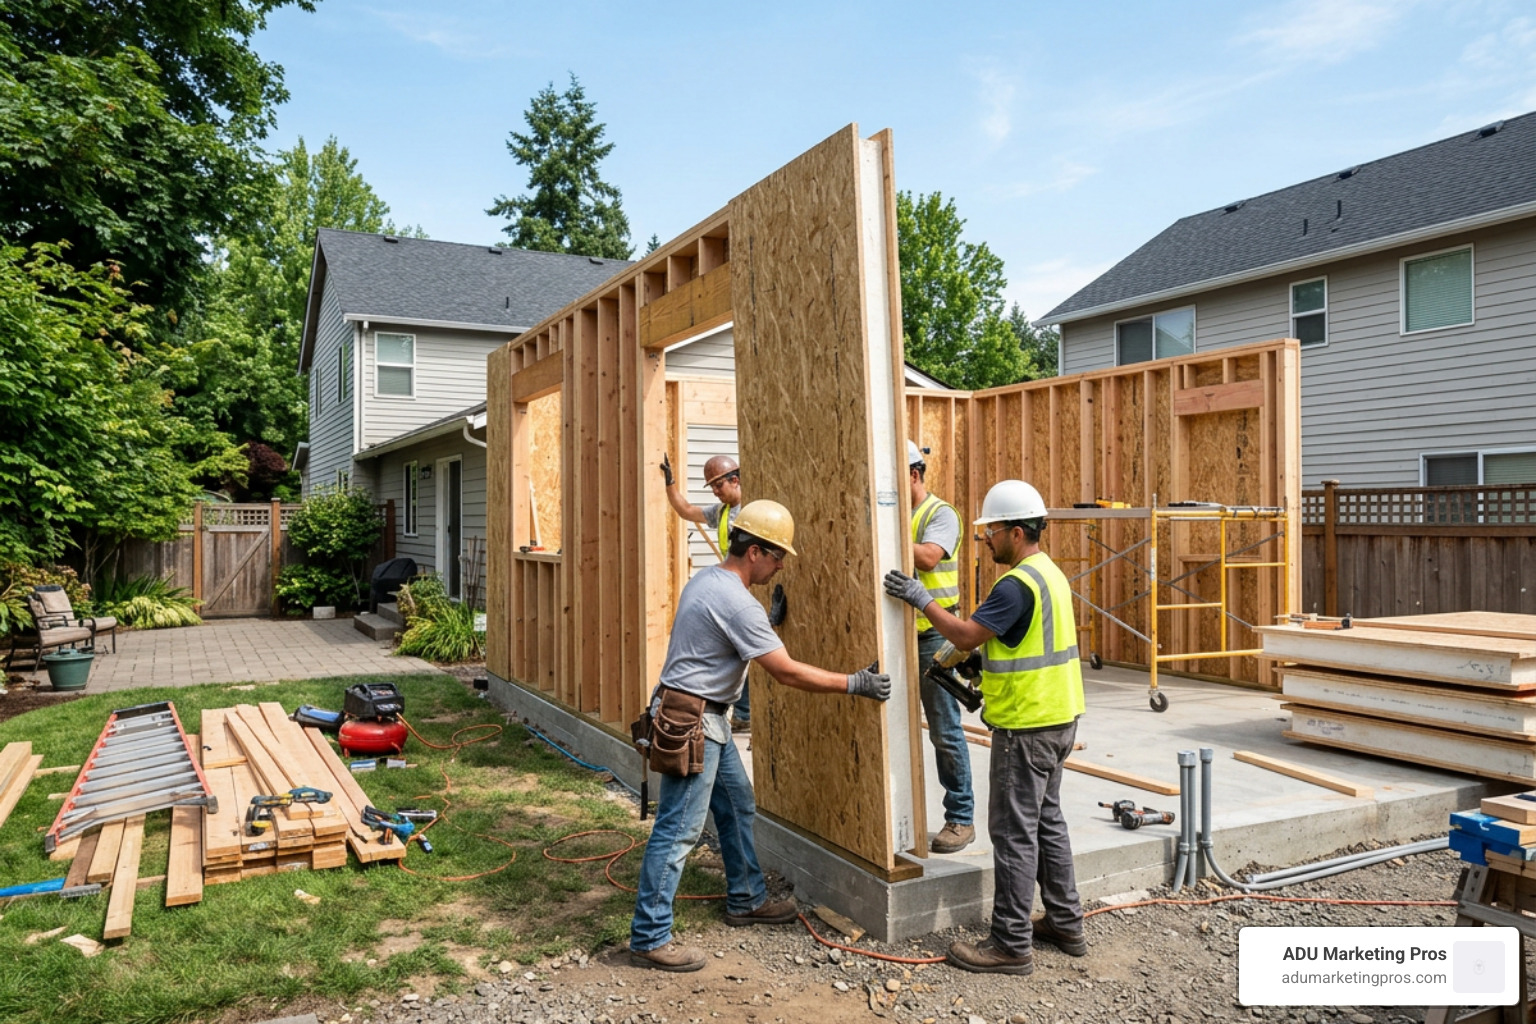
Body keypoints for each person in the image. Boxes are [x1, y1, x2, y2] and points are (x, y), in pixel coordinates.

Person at [629, 499, 891, 972]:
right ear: (754, 552)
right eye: (777, 556)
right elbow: (786, 673)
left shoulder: (709, 580)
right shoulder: (736, 601)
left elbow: (721, 640)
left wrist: (766, 622)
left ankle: (746, 899)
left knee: (736, 804)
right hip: (696, 723)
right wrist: (856, 683)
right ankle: (650, 936)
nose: (782, 564)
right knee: (677, 831)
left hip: (697, 715)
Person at [883, 479, 1087, 975]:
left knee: (1013, 834)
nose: (986, 540)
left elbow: (966, 632)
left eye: (991, 532)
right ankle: (1065, 921)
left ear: (1016, 532)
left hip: (1026, 727)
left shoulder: (1014, 584)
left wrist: (918, 597)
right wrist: (982, 667)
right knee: (1047, 824)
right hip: (1059, 718)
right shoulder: (1049, 574)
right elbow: (1013, 642)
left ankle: (1011, 944)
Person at [904, 441, 975, 854]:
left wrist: (883, 534)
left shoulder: (940, 514)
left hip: (935, 633)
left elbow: (929, 559)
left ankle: (960, 817)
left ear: (914, 474)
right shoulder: (896, 515)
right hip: (896, 632)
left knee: (945, 731)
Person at [661, 452, 752, 731]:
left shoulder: (752, 509)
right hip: (735, 586)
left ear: (734, 480)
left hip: (751, 586)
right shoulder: (721, 512)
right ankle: (744, 714)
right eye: (711, 487)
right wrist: (670, 484)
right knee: (739, 648)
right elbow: (686, 510)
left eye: (717, 485)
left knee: (747, 648)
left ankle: (745, 714)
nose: (714, 492)